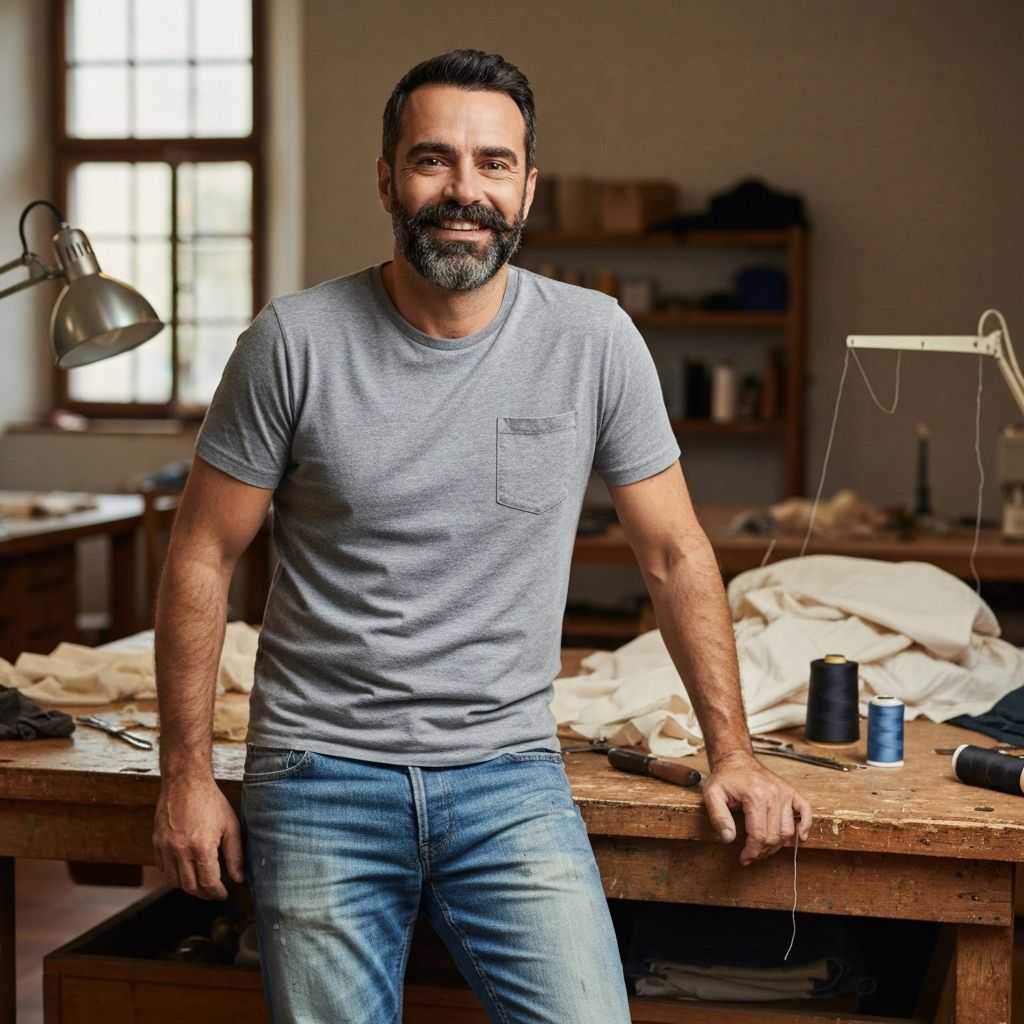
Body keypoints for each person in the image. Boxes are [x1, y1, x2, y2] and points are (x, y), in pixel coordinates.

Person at [152, 48, 812, 1024]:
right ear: (386, 176)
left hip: (508, 772)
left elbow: (673, 556)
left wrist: (734, 752)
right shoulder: (292, 342)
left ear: (527, 186)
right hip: (320, 770)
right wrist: (185, 773)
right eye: (433, 159)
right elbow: (201, 555)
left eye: (493, 163)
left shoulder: (594, 341)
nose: (464, 190)